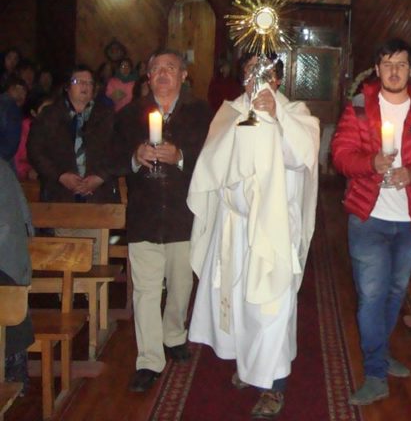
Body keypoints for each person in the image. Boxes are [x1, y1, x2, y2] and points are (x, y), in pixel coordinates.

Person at [188, 54, 319, 419]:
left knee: (270, 308)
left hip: (274, 229)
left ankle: (274, 385)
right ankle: (249, 365)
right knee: (239, 303)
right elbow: (211, 164)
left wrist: (274, 117)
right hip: (233, 228)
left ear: (277, 80)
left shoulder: (295, 113)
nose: (256, 80)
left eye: (264, 74)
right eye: (249, 73)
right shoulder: (230, 113)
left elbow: (300, 158)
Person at [331, 38, 411, 407]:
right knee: (371, 295)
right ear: (377, 69)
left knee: (395, 293)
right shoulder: (359, 107)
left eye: (400, 64)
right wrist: (370, 163)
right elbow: (340, 155)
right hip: (369, 217)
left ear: (410, 69)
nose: (394, 71)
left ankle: (380, 353)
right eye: (387, 64)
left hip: (410, 220)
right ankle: (375, 373)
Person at [113, 49, 211, 393]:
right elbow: (113, 157)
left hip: (183, 214)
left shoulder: (201, 113)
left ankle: (174, 334)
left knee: (181, 283)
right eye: (156, 69)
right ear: (148, 77)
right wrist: (135, 157)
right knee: (146, 291)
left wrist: (180, 156)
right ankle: (149, 360)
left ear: (183, 75)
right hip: (145, 214)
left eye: (171, 68)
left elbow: (212, 158)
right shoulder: (130, 115)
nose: (163, 74)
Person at [27, 65, 119, 204]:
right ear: (67, 86)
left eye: (89, 83)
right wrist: (60, 175)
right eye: (78, 81)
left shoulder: (107, 115)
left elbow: (119, 150)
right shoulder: (49, 115)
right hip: (58, 192)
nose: (85, 86)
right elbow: (35, 150)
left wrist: (100, 176)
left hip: (100, 194)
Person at [0, 158, 34, 395]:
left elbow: (8, 229)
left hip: (5, 262)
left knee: (7, 292)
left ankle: (14, 362)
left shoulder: (1, 173)